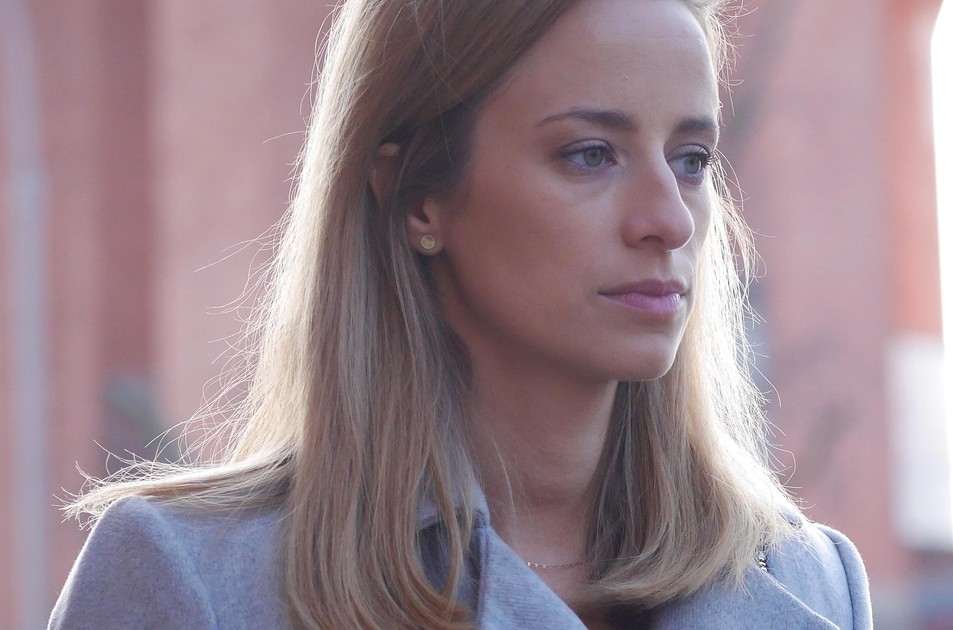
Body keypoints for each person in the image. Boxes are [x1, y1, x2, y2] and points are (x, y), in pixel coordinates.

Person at [49, 0, 872, 628]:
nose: (669, 219)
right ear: (418, 196)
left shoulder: (811, 583)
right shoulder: (192, 580)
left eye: (691, 160)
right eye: (591, 154)